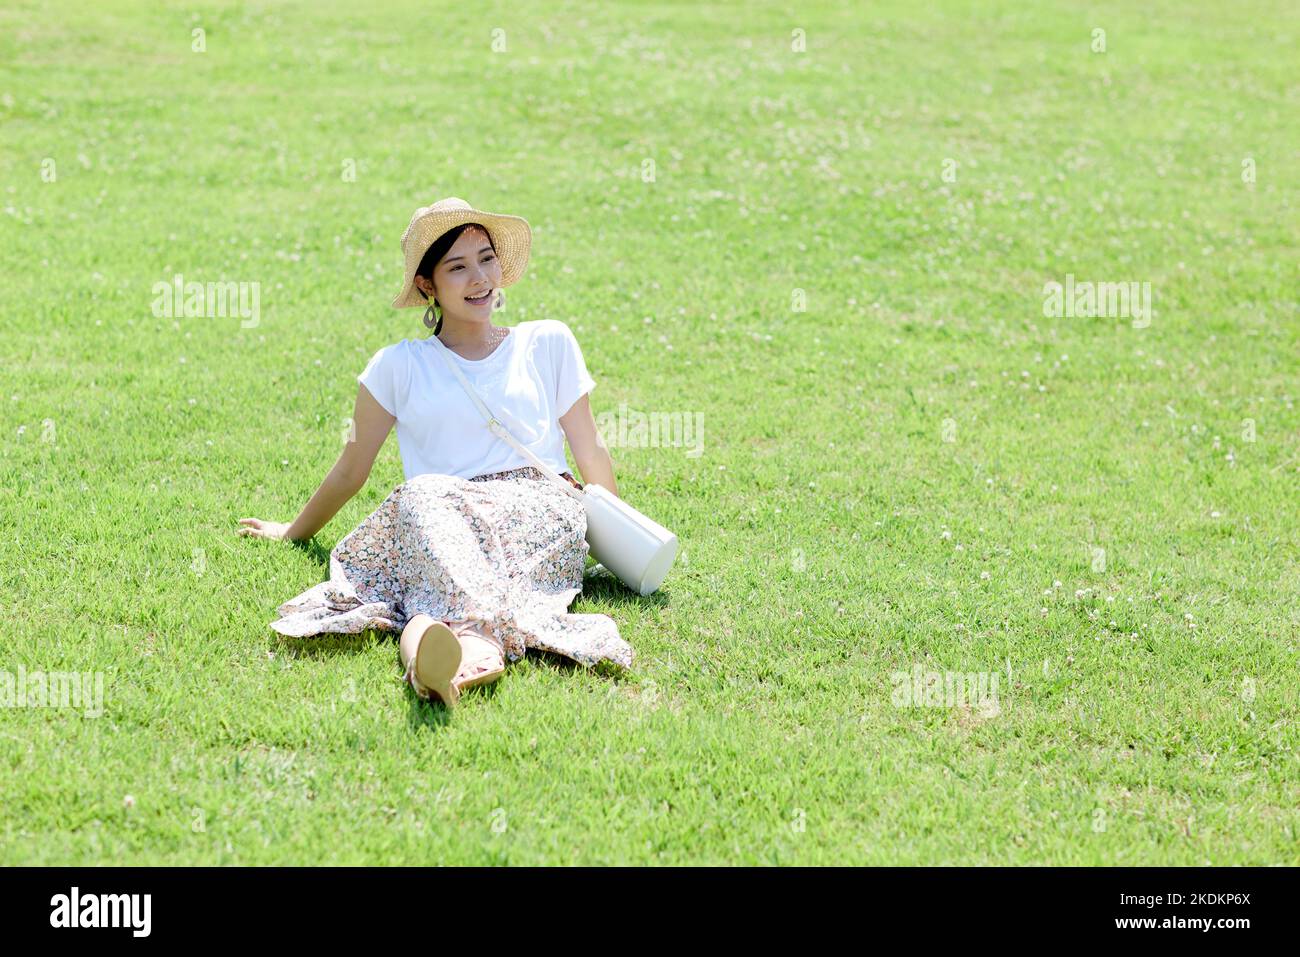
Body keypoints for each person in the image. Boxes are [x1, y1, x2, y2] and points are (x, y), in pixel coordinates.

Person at [237, 198, 633, 708]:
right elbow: (351, 471)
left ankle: (450, 641)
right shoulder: (397, 366)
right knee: (421, 499)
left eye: (487, 259)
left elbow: (588, 446)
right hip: (440, 515)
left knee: (414, 586)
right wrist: (292, 531)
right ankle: (462, 647)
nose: (480, 279)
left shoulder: (547, 342)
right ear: (428, 284)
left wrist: (620, 533)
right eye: (458, 267)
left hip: (535, 507)